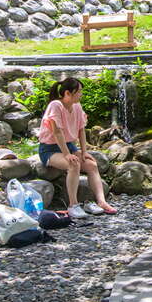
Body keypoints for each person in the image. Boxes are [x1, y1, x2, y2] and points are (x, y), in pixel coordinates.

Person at [39, 77, 117, 218]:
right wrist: (67, 154)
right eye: (79, 91)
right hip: (49, 149)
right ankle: (73, 205)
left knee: (91, 164)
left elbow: (81, 130)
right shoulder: (55, 105)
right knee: (73, 164)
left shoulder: (77, 106)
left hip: (68, 145)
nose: (81, 94)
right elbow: (57, 132)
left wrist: (84, 151)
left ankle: (101, 202)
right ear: (68, 93)